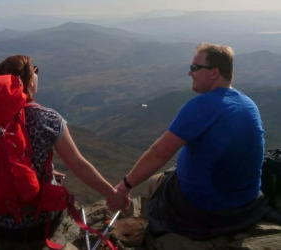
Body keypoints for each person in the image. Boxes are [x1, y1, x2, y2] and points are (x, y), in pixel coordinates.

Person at [107, 43, 276, 240]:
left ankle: (153, 236)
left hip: (204, 209)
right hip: (246, 204)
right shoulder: (248, 104)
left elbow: (159, 153)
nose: (190, 73)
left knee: (154, 182)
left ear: (214, 72)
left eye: (195, 68)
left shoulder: (203, 105)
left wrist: (124, 186)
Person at [0, 55, 129, 242]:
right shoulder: (48, 118)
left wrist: (45, 171)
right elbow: (79, 165)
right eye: (35, 71)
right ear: (31, 81)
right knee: (57, 191)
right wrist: (112, 194)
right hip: (36, 225)